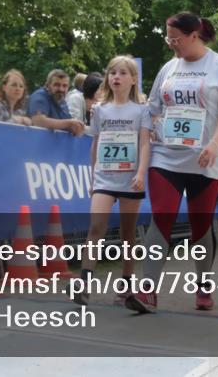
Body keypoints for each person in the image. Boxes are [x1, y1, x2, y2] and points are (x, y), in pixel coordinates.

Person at [126, 12, 218, 314]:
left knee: (200, 224)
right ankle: (146, 291)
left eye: (175, 39)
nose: (172, 45)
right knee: (161, 214)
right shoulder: (168, 68)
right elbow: (152, 108)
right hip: (167, 156)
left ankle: (203, 284)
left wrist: (215, 145)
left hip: (206, 159)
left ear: (194, 35)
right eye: (168, 39)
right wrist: (153, 126)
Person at [70, 56, 150, 306]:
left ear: (133, 79)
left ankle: (126, 284)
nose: (116, 77)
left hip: (130, 179)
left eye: (123, 73)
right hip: (104, 178)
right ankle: (83, 285)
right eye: (112, 72)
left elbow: (145, 142)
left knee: (128, 233)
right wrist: (93, 176)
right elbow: (95, 142)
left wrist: (140, 174)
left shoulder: (141, 110)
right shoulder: (100, 109)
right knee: (96, 228)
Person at [28, 69, 85, 135]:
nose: (61, 89)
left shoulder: (62, 101)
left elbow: (67, 124)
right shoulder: (39, 96)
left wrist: (76, 127)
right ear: (47, 85)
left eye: (64, 86)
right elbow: (38, 122)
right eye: (57, 85)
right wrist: (69, 123)